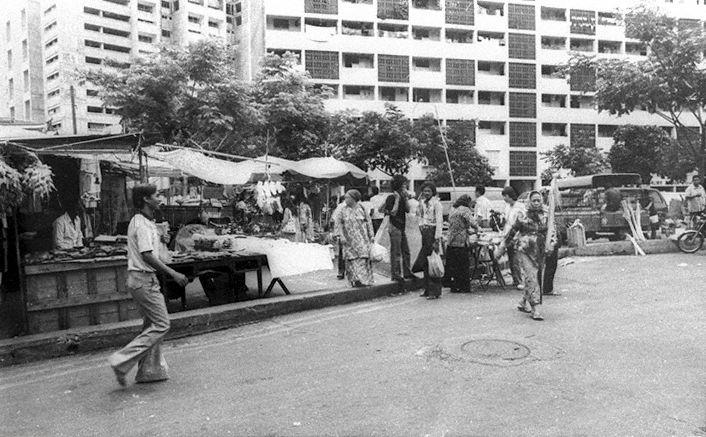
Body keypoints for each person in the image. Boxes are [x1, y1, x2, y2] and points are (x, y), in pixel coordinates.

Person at [108, 184, 189, 386]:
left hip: (142, 280)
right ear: (145, 199)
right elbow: (147, 255)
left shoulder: (145, 222)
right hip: (143, 280)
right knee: (162, 324)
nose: (160, 198)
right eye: (156, 195)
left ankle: (147, 371)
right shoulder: (142, 224)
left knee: (151, 326)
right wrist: (173, 273)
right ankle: (121, 360)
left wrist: (162, 239)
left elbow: (152, 251)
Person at [502, 191, 554, 321]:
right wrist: (502, 247)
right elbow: (513, 231)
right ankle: (535, 308)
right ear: (529, 201)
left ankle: (523, 301)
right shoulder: (523, 215)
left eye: (538, 200)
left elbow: (552, 232)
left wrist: (551, 245)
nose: (536, 203)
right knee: (532, 277)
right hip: (525, 250)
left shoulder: (547, 215)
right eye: (534, 200)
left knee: (534, 277)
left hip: (541, 250)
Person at [336, 190, 375, 287]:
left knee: (362, 258)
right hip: (349, 240)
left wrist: (371, 236)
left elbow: (369, 222)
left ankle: (363, 280)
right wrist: (341, 236)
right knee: (351, 260)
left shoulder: (362, 208)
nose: (345, 200)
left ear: (353, 198)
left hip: (362, 239)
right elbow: (339, 224)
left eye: (347, 197)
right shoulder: (342, 210)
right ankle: (355, 280)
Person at [413, 182, 444, 299]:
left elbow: (439, 221)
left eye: (428, 191)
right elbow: (419, 217)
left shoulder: (437, 204)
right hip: (424, 232)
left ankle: (434, 291)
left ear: (433, 192)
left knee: (433, 263)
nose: (426, 193)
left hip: (433, 233)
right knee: (426, 262)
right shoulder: (422, 203)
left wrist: (437, 239)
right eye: (424, 191)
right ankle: (426, 289)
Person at [382, 175, 414, 283]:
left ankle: (407, 272)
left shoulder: (402, 196)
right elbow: (393, 212)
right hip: (394, 225)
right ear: (399, 185)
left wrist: (404, 199)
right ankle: (396, 274)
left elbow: (408, 210)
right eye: (404, 184)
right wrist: (397, 199)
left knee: (406, 251)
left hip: (402, 226)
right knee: (396, 251)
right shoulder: (391, 197)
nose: (406, 186)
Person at [445, 195, 479, 293]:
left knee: (454, 266)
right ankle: (464, 287)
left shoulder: (453, 210)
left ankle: (455, 286)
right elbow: (472, 222)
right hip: (460, 241)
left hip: (451, 240)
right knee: (463, 265)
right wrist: (478, 229)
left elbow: (459, 225)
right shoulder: (465, 210)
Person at [502, 186, 526, 289]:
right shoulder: (507, 207)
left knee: (516, 259)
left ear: (508, 196)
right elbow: (506, 221)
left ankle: (520, 281)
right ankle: (515, 279)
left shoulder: (520, 207)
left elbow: (520, 222)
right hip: (508, 234)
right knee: (511, 257)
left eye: (504, 196)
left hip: (516, 235)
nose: (504, 199)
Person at [330, 198, 347, 280]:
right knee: (343, 252)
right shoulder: (342, 207)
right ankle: (342, 271)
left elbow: (333, 219)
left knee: (343, 252)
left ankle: (342, 271)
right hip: (344, 233)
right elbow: (335, 220)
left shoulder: (340, 206)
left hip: (348, 233)